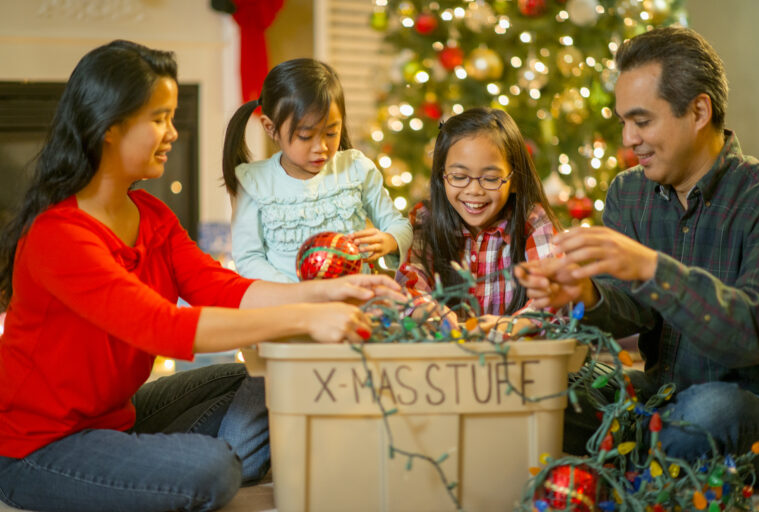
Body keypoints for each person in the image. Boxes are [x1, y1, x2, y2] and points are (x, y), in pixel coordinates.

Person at [0, 40, 404, 512]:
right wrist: (309, 319)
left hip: (113, 420)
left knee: (252, 377)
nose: (173, 133)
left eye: (172, 117)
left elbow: (220, 288)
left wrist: (331, 290)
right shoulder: (59, 235)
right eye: (159, 118)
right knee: (211, 469)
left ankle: (182, 460)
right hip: (36, 448)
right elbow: (164, 327)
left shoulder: (149, 213)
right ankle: (208, 462)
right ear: (109, 127)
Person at [515, 26, 759, 482]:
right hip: (657, 396)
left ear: (698, 111)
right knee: (549, 387)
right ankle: (648, 464)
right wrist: (588, 294)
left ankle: (620, 468)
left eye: (643, 120)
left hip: (746, 403)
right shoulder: (629, 193)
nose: (629, 139)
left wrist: (650, 268)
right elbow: (630, 314)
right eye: (623, 123)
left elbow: (752, 334)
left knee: (713, 407)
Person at [222, 58, 413, 283]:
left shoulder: (355, 169)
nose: (320, 147)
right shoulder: (254, 182)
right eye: (305, 136)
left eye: (331, 133)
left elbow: (400, 225)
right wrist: (299, 293)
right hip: (291, 307)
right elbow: (249, 260)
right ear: (271, 128)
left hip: (355, 301)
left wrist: (389, 239)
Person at [395, 107, 560, 328]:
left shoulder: (533, 222)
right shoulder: (426, 220)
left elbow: (553, 296)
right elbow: (410, 284)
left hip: (517, 356)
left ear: (515, 179)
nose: (474, 190)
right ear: (441, 176)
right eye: (459, 176)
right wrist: (426, 310)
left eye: (491, 179)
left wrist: (511, 326)